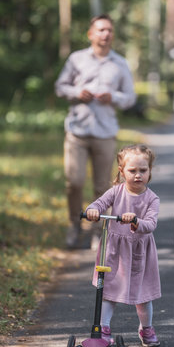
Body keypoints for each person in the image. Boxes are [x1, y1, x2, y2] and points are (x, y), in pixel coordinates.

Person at [55, 14, 136, 249]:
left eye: (109, 30)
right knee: (75, 182)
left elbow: (130, 97)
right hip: (77, 132)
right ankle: (73, 225)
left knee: (102, 187)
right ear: (90, 34)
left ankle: (97, 231)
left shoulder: (120, 63)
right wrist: (76, 92)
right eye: (100, 30)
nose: (105, 33)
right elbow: (60, 87)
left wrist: (115, 97)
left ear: (113, 34)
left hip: (105, 132)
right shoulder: (76, 59)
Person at [86, 144, 161, 347]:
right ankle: (103, 329)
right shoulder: (115, 192)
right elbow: (99, 205)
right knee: (108, 291)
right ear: (121, 171)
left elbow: (151, 224)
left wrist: (136, 220)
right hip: (114, 251)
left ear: (149, 171)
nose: (138, 175)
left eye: (143, 171)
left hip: (139, 252)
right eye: (132, 171)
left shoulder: (152, 199)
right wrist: (92, 210)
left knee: (143, 295)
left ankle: (146, 328)